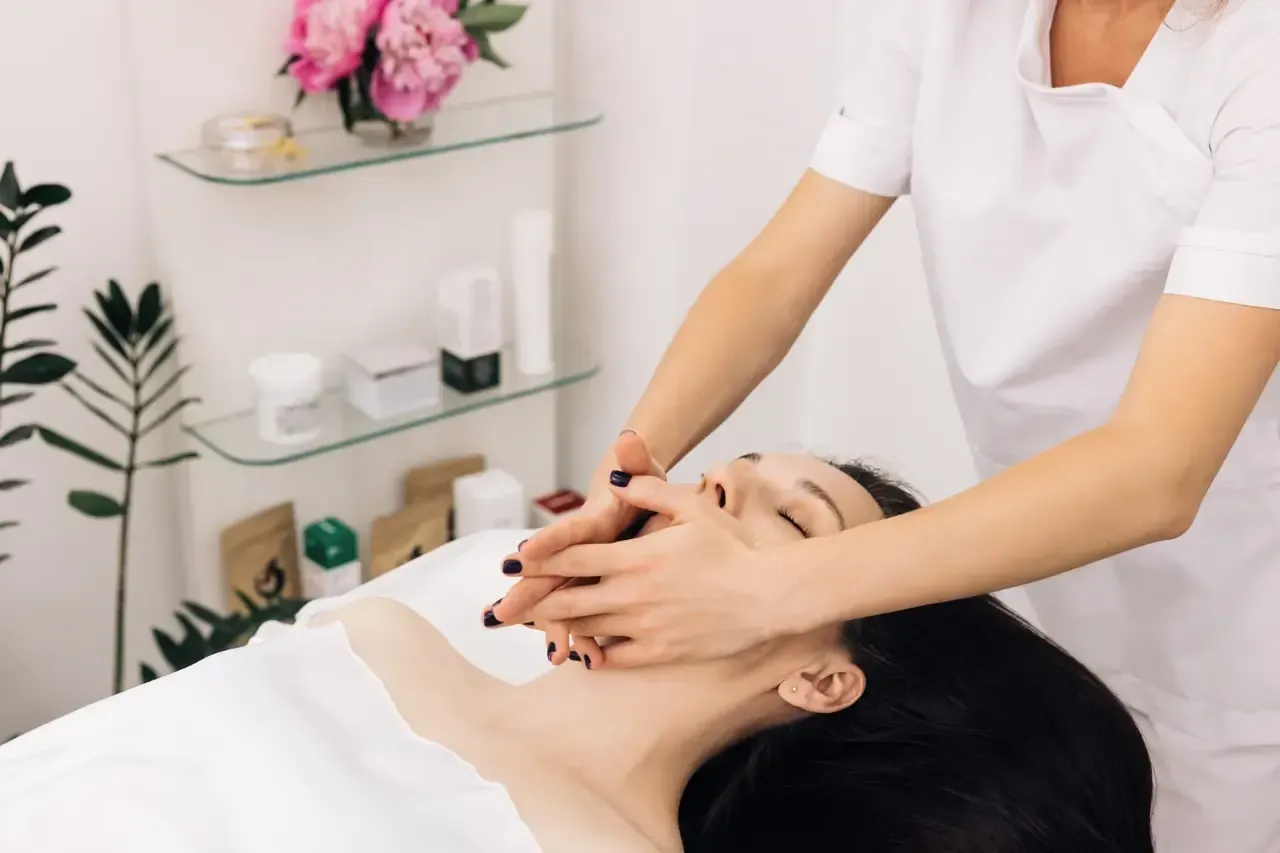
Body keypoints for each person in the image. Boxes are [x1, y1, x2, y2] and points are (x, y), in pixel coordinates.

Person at [495, 2, 1280, 850]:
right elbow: (774, 276)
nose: (718, 484)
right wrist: (628, 473)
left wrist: (758, 593)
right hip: (1050, 572)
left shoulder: (1255, 62)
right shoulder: (951, 16)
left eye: (794, 517)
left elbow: (1155, 470)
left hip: (1242, 624)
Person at [0, 454, 1154, 853]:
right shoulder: (381, 630)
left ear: (820, 675)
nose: (719, 480)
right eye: (723, 469)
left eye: (791, 520)